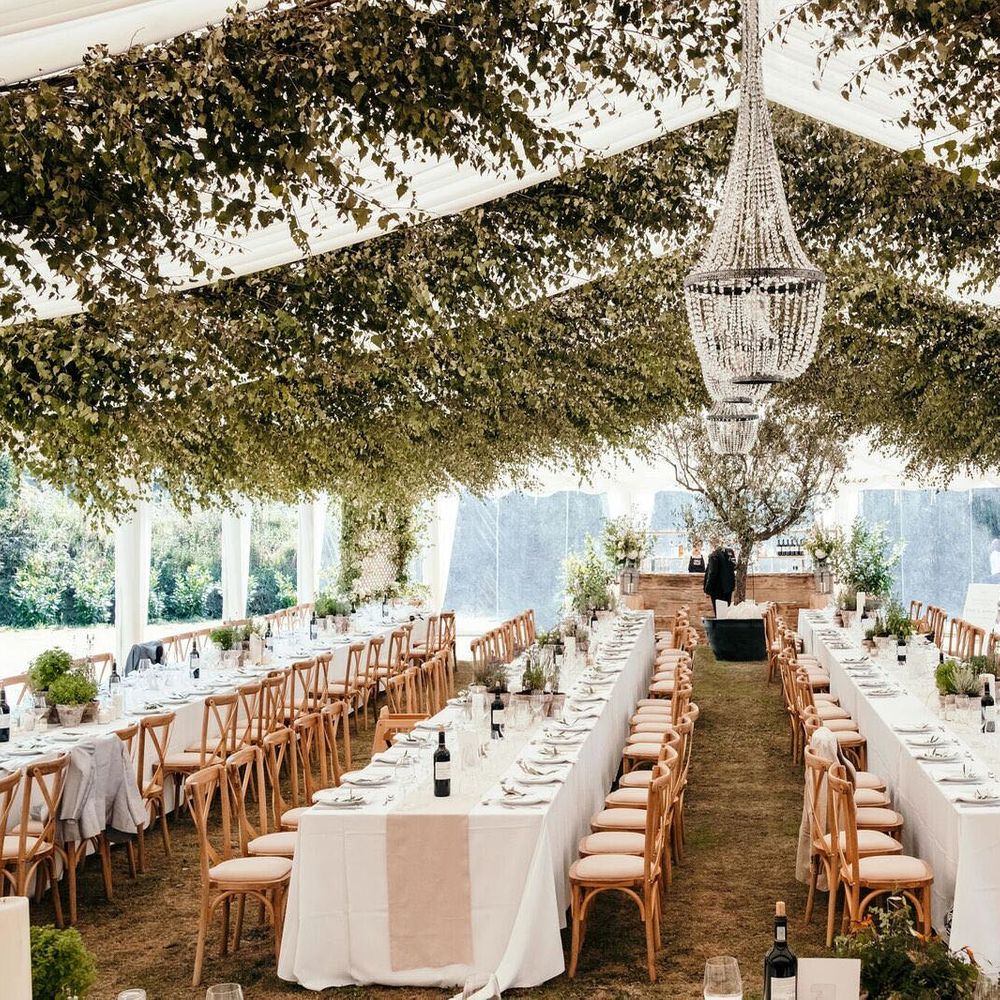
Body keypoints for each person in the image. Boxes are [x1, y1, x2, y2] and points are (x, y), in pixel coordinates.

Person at [704, 534, 736, 616]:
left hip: (717, 590)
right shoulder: (730, 552)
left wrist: (707, 590)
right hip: (728, 588)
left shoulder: (714, 556)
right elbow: (734, 567)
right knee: (726, 613)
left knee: (719, 615)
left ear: (712, 544)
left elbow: (712, 574)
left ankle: (721, 629)